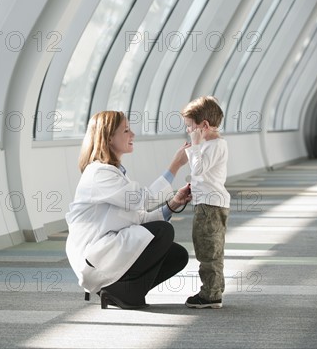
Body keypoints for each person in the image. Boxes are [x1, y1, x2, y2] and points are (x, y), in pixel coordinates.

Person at [65, 110, 192, 310]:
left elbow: (139, 219)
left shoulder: (114, 173)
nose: (132, 135)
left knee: (177, 255)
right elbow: (141, 200)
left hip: (109, 249)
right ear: (108, 138)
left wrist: (173, 204)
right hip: (95, 258)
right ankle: (121, 290)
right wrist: (175, 166)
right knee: (163, 232)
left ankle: (125, 291)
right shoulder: (99, 174)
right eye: (126, 130)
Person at [181, 96, 230, 309]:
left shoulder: (213, 146)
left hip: (209, 206)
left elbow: (198, 169)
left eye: (190, 127)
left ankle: (210, 294)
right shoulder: (212, 145)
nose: (188, 131)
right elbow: (202, 175)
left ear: (204, 126)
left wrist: (194, 146)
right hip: (208, 201)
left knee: (206, 249)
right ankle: (215, 288)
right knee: (212, 247)